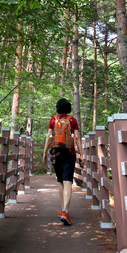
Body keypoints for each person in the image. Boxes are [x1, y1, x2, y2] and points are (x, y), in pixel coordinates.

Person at [43, 97, 84, 226]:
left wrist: (45, 153)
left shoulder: (53, 120)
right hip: (69, 154)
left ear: (57, 108)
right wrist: (81, 155)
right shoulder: (72, 120)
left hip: (56, 154)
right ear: (68, 108)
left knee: (60, 182)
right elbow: (76, 137)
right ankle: (65, 210)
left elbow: (49, 137)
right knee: (68, 182)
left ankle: (63, 209)